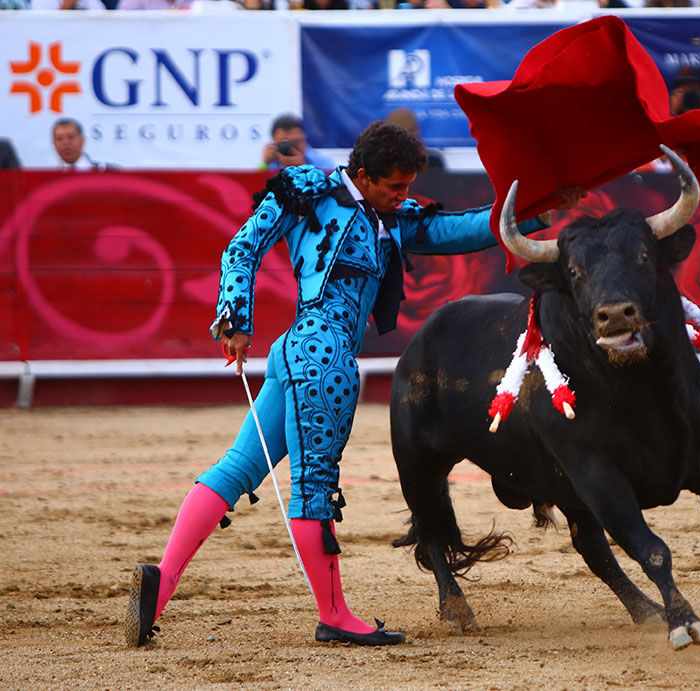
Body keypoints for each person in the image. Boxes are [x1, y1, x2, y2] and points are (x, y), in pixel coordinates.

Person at [125, 120, 584, 649]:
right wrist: (235, 318)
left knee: (239, 468)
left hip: (296, 352)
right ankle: (334, 614)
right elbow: (242, 247)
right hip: (322, 356)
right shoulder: (308, 191)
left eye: (408, 186)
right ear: (362, 176)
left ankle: (158, 586)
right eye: (395, 186)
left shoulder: (390, 219)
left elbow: (463, 230)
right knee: (314, 485)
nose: (403, 196)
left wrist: (535, 208)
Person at [261, 113, 337, 173]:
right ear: (274, 142)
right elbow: (255, 186)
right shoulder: (271, 162)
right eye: (284, 143)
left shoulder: (323, 162)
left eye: (296, 141)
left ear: (304, 138)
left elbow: (329, 188)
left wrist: (303, 168)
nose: (291, 147)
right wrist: (264, 163)